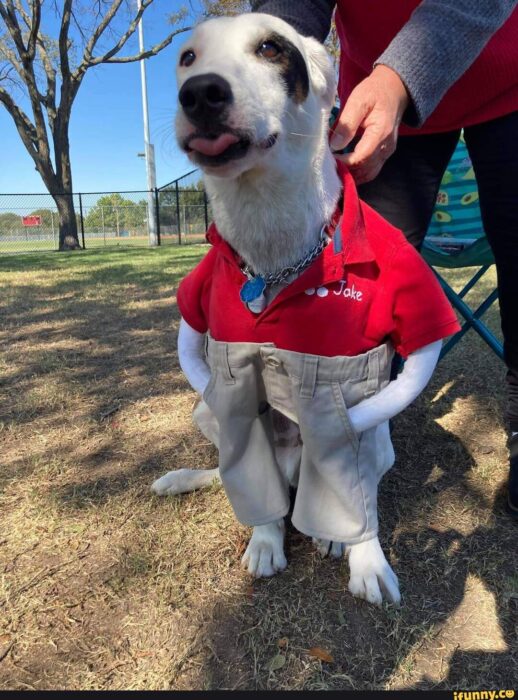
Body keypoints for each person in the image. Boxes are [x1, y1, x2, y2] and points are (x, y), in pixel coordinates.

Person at [250, 0, 518, 518]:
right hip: (376, 91)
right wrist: (261, 65)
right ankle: (342, 438)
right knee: (362, 283)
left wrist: (400, 77)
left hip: (505, 80)